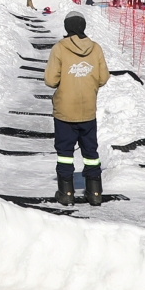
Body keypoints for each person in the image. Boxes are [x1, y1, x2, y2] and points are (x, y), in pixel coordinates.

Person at [44, 13, 110, 206]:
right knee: (90, 152)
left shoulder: (59, 49)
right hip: (88, 110)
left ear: (67, 27)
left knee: (65, 152)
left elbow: (50, 80)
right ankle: (95, 192)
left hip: (65, 111)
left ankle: (66, 192)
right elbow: (104, 77)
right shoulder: (95, 48)